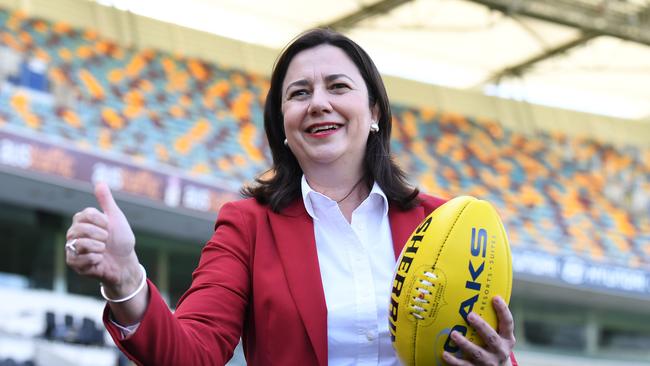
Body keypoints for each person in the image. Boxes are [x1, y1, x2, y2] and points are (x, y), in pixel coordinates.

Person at [65, 29, 517, 366]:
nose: (318, 103)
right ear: (283, 124)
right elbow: (193, 353)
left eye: (338, 87)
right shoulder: (248, 225)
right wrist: (126, 282)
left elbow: (487, 344)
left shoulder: (444, 223)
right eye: (299, 93)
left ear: (374, 110)